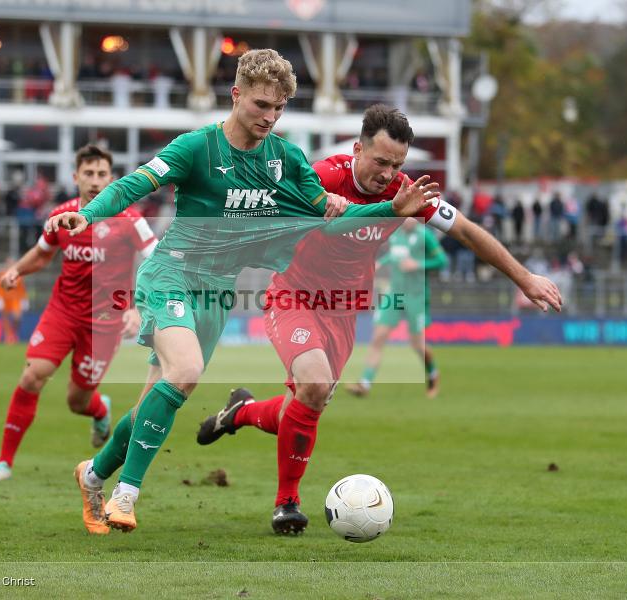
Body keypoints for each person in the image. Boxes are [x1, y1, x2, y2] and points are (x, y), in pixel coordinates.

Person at [46, 50, 443, 535]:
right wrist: (88, 214)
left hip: (218, 291)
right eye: (261, 105)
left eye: (279, 108)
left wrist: (389, 210)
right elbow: (133, 185)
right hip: (172, 273)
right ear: (236, 95)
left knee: (156, 398)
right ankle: (125, 496)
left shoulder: (286, 159)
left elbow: (331, 218)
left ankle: (92, 475)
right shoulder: (196, 147)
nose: (270, 117)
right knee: (185, 371)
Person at [194, 105, 563, 534]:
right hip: (293, 296)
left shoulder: (405, 193)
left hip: (344, 313)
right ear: (357, 150)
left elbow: (465, 230)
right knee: (314, 385)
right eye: (381, 161)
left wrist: (524, 278)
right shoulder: (321, 177)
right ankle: (287, 503)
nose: (388, 174)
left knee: (306, 403)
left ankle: (240, 412)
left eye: (397, 165)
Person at [0, 144, 157, 483]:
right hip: (62, 312)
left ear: (112, 178)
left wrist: (137, 308)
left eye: (102, 174)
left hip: (104, 324)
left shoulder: (130, 220)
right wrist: (17, 270)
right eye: (88, 173)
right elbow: (41, 254)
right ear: (76, 177)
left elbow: (157, 262)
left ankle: (100, 410)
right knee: (32, 376)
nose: (95, 180)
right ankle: (3, 462)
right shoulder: (60, 216)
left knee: (77, 401)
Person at [346, 217, 448, 398]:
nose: (407, 220)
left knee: (417, 344)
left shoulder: (425, 235)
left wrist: (418, 264)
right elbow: (394, 255)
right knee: (378, 337)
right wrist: (380, 263)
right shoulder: (395, 233)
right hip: (394, 293)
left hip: (416, 296)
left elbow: (442, 260)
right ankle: (365, 383)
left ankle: (433, 373)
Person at [0, 257, 29, 344]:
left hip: (16, 298)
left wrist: (24, 299)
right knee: (5, 318)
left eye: (12, 263)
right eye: (9, 263)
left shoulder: (18, 275)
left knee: (17, 318)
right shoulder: (1, 273)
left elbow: (22, 288)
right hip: (4, 298)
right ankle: (8, 336)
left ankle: (14, 333)